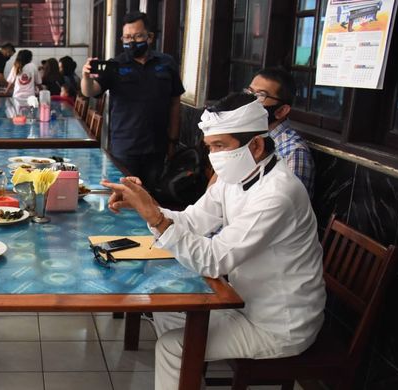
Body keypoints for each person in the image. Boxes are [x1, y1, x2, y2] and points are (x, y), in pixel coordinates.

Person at [101, 93, 326, 390]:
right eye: (210, 147)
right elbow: (193, 220)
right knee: (165, 309)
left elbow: (214, 259)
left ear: (256, 145)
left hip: (277, 322)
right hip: (243, 299)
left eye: (220, 146)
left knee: (172, 347)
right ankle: (192, 381)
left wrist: (155, 218)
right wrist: (145, 206)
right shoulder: (238, 175)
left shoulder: (277, 193)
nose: (213, 156)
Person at [81, 11, 184, 193]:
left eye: (137, 36)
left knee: (151, 196)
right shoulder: (115, 65)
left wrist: (173, 141)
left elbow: (175, 102)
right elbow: (90, 91)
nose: (132, 41)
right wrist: (86, 77)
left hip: (157, 146)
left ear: (149, 37)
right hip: (125, 147)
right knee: (123, 196)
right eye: (127, 37)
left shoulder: (167, 63)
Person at [245, 68, 315, 197]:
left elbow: (288, 206)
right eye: (250, 92)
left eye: (260, 96)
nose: (250, 101)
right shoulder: (247, 135)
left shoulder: (293, 152)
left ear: (281, 111)